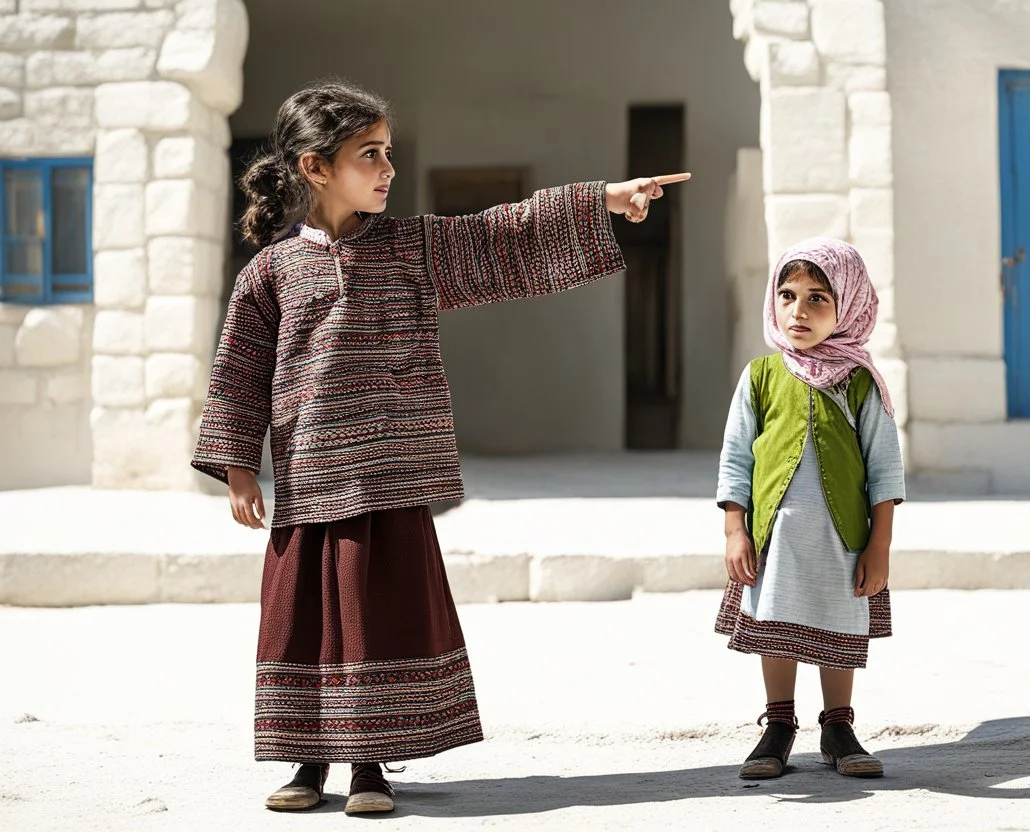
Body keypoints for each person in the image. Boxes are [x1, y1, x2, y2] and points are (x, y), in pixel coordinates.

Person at [191, 80, 689, 814]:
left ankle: (368, 768)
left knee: (375, 620)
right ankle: (307, 765)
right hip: (311, 478)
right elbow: (237, 371)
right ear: (314, 168)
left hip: (390, 479)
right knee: (306, 626)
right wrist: (239, 469)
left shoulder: (412, 247)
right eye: (370, 155)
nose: (388, 169)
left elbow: (501, 233)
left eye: (389, 153)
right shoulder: (269, 272)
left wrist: (603, 201)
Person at [714, 237, 904, 780]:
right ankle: (777, 726)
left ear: (849, 305)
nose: (799, 311)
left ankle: (838, 727)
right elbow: (735, 459)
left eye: (819, 298)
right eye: (788, 294)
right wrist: (735, 529)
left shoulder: (861, 381)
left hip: (842, 540)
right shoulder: (760, 376)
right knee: (775, 623)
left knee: (838, 624)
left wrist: (880, 544)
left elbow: (885, 470)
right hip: (774, 538)